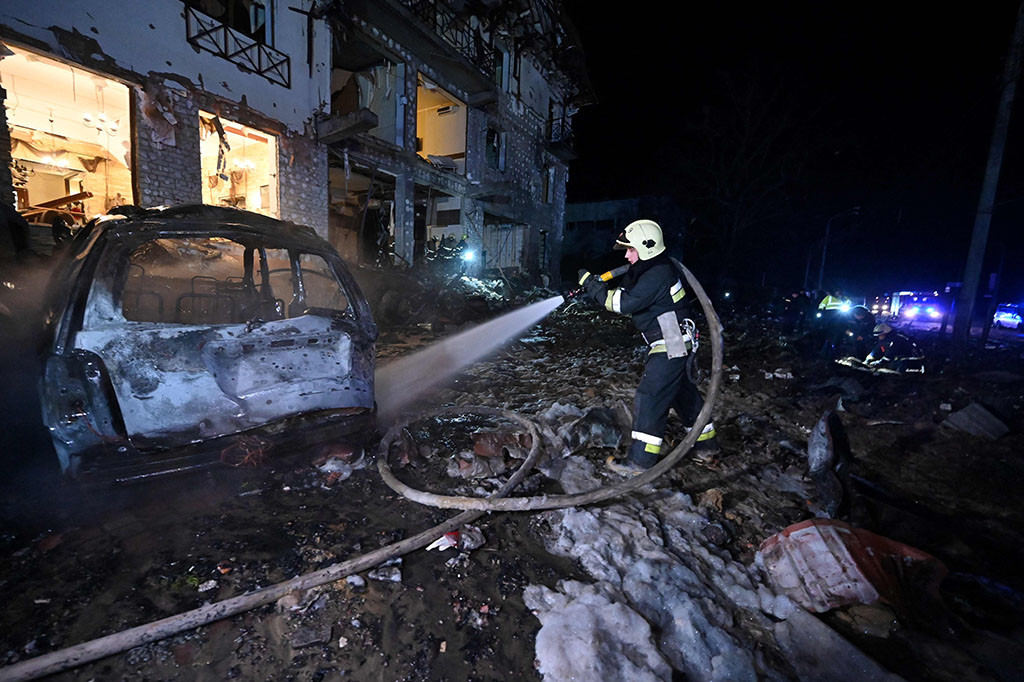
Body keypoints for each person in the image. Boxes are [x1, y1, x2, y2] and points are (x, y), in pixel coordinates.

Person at [577, 219, 718, 475]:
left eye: (631, 250)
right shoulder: (654, 268)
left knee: (650, 396)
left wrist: (593, 286)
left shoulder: (657, 273)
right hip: (673, 337)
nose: (628, 255)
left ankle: (640, 462)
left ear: (647, 247)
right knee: (682, 396)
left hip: (671, 339)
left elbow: (621, 303)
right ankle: (706, 447)